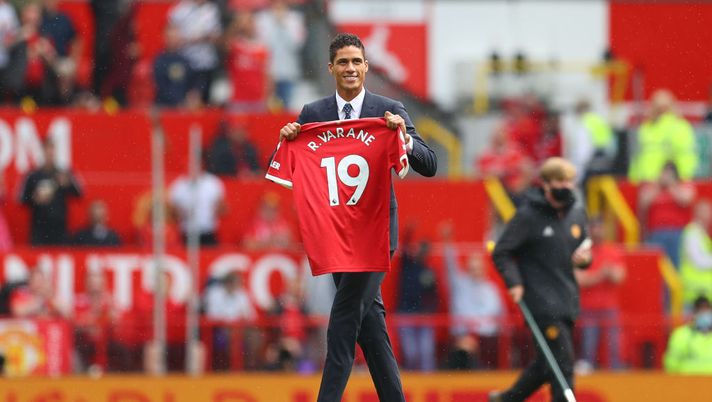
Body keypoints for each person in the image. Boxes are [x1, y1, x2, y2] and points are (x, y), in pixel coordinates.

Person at [274, 33, 437, 402]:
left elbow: (430, 164)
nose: (350, 69)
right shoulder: (312, 114)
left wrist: (404, 138)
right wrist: (286, 138)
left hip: (377, 232)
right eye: (343, 62)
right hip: (335, 236)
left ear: (366, 66)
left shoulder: (388, 109)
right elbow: (292, 165)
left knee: (345, 317)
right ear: (331, 68)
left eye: (356, 62)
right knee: (370, 326)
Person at [490, 157, 591, 402]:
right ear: (545, 184)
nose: (565, 186)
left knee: (548, 363)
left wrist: (585, 260)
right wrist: (514, 282)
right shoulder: (528, 216)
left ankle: (507, 399)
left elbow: (584, 252)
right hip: (541, 303)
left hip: (567, 301)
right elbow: (501, 251)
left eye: (569, 181)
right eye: (559, 181)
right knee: (562, 365)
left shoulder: (576, 214)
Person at [442, 223, 504, 370]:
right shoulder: (460, 284)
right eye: (471, 268)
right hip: (461, 336)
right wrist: (447, 243)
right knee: (461, 351)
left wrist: (477, 330)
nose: (474, 271)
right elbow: (450, 267)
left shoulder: (491, 290)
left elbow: (498, 316)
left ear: (483, 269)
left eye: (477, 268)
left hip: (485, 339)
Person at [574, 218, 626, 372]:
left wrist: (597, 275)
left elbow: (620, 276)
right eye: (594, 228)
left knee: (614, 344)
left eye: (600, 228)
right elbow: (580, 279)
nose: (597, 231)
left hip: (609, 307)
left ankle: (615, 370)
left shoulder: (612, 251)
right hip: (588, 307)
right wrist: (601, 274)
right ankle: (589, 368)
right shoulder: (582, 252)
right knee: (588, 344)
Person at [20, 138, 82, 245]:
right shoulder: (33, 175)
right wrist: (34, 198)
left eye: (51, 149)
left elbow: (80, 193)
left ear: (55, 151)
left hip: (60, 230)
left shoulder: (64, 173)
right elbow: (21, 199)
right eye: (46, 149)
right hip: (39, 230)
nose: (49, 153)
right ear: (42, 151)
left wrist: (68, 184)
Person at [628, 89, 698, 183]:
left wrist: (633, 181)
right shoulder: (683, 127)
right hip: (655, 183)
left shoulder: (646, 129)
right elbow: (637, 159)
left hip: (659, 184)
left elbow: (686, 156)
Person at [638, 161, 696, 268]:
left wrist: (671, 185)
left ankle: (673, 285)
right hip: (655, 233)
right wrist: (658, 186)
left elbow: (685, 200)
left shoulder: (683, 185)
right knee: (656, 265)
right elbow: (643, 202)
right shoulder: (653, 186)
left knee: (675, 263)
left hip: (677, 232)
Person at [396, 236, 438, 372]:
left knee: (426, 353)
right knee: (411, 352)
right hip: (406, 313)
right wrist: (408, 233)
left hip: (422, 315)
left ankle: (428, 385)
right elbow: (403, 251)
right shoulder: (407, 266)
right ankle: (412, 381)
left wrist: (430, 311)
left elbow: (434, 295)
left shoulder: (428, 271)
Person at [255, 0, 306, 110]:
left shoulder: (295, 19)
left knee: (286, 109)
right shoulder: (262, 18)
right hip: (267, 72)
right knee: (266, 110)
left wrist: (282, 24)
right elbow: (262, 45)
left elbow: (295, 45)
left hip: (288, 71)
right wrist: (275, 22)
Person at [168, 0, 221, 104]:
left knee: (203, 100)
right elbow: (172, 33)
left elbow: (216, 37)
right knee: (183, 99)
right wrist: (201, 38)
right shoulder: (180, 9)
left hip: (205, 63)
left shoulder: (211, 10)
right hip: (185, 62)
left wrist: (192, 39)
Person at [203, 271, 257, 370]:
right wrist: (232, 319)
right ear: (228, 283)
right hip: (220, 329)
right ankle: (234, 369)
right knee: (232, 333)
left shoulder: (241, 294)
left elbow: (251, 315)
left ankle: (251, 367)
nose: (237, 287)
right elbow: (212, 315)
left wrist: (240, 319)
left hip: (239, 328)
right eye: (236, 284)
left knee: (255, 334)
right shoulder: (214, 293)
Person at [168, 164, 226, 246]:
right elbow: (172, 212)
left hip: (208, 230)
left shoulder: (213, 183)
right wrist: (182, 213)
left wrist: (217, 209)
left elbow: (223, 208)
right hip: (187, 231)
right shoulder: (178, 185)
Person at [225, 10, 270, 113]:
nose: (250, 26)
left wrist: (267, 97)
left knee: (258, 128)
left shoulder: (262, 48)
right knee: (237, 128)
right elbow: (225, 44)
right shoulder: (236, 45)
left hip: (258, 99)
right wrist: (236, 25)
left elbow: (267, 75)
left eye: (251, 22)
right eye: (247, 23)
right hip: (239, 99)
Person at [153, 24, 199, 108]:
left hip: (184, 110)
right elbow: (161, 87)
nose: (174, 40)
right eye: (171, 37)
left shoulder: (186, 61)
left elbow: (192, 85)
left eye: (176, 37)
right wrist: (178, 103)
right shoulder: (160, 61)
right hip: (165, 109)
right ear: (165, 38)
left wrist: (192, 98)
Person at [663, 295, 712, 374]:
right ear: (694, 313)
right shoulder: (681, 335)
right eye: (700, 309)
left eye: (707, 309)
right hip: (688, 383)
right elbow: (671, 365)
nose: (704, 313)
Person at [678, 200, 712, 309]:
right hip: (694, 293)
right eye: (706, 211)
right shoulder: (692, 233)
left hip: (704, 292)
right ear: (697, 213)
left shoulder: (702, 234)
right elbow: (698, 261)